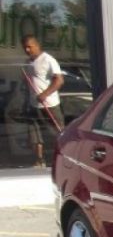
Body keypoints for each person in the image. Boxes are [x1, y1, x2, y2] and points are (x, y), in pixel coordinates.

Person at [21, 34, 64, 169]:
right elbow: (29, 82)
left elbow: (59, 80)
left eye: (29, 47)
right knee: (36, 135)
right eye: (25, 47)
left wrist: (44, 94)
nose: (27, 50)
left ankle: (62, 159)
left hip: (49, 104)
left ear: (37, 45)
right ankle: (39, 160)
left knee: (58, 133)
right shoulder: (28, 62)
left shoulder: (48, 60)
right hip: (34, 105)